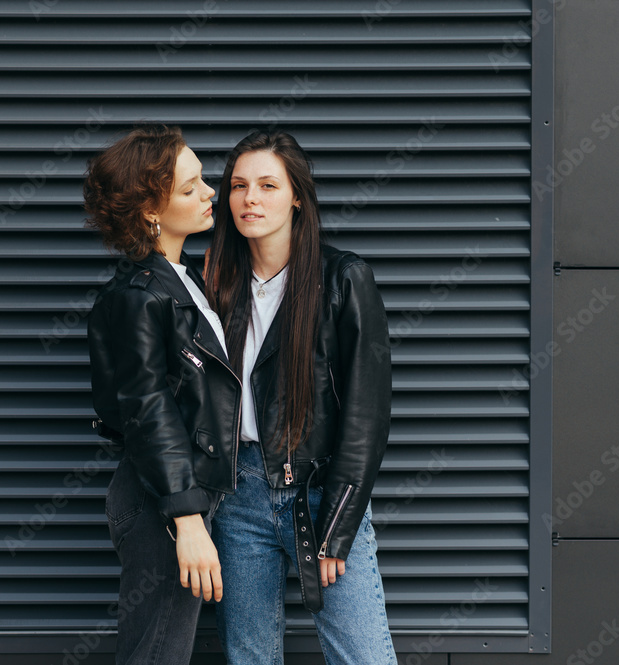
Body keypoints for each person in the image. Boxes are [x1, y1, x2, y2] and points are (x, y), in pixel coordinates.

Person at [207, 131, 397, 664]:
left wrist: (337, 525)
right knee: (250, 657)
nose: (251, 199)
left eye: (268, 185)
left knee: (362, 655)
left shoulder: (343, 277)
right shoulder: (217, 285)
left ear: (297, 196)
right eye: (239, 186)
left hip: (319, 494)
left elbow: (367, 415)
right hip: (238, 497)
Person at [85, 126, 240, 665]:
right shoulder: (139, 296)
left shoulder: (182, 279)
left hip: (181, 498)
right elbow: (148, 408)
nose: (211, 193)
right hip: (163, 505)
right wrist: (187, 519)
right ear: (151, 209)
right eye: (191, 187)